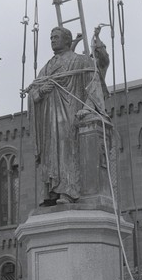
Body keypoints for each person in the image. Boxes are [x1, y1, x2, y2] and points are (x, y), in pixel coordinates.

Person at [24, 26, 108, 206]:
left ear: (67, 41)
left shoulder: (81, 61)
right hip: (48, 119)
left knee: (67, 151)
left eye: (56, 37)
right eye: (51, 37)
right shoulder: (47, 67)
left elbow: (93, 85)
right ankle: (51, 193)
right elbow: (33, 91)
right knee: (50, 155)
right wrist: (40, 92)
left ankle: (69, 191)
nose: (52, 40)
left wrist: (88, 108)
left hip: (70, 115)